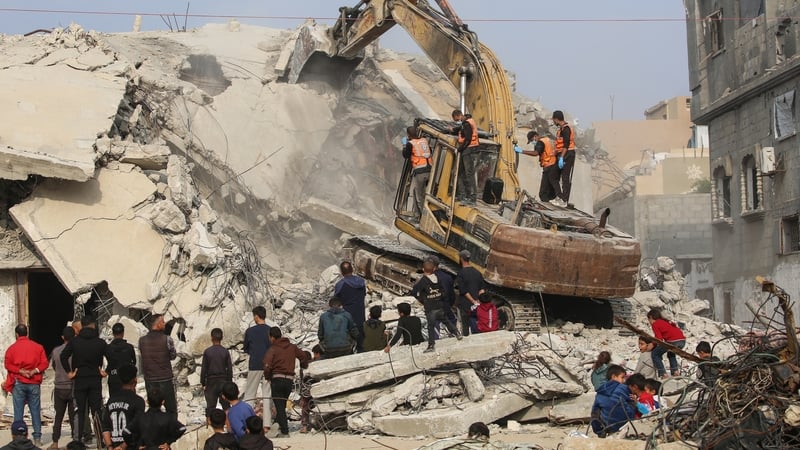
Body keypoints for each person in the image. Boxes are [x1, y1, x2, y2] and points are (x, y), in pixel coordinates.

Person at [61, 315, 107, 446]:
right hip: (95, 379)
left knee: (80, 411)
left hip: (80, 379)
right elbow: (112, 356)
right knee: (96, 411)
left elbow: (63, 356)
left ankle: (79, 442)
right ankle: (100, 440)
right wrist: (106, 371)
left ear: (82, 326)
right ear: (93, 325)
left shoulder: (75, 342)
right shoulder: (100, 342)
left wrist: (69, 372)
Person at [4, 325, 48, 447]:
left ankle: (17, 438)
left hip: (19, 382)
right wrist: (35, 370)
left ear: (17, 334)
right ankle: (37, 438)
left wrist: (20, 371)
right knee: (35, 411)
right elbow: (45, 363)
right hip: (34, 382)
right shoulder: (38, 347)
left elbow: (8, 365)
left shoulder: (12, 349)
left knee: (18, 412)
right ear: (27, 333)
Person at [263, 327, 310, 438]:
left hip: (277, 380)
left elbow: (266, 366)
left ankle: (284, 431)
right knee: (282, 405)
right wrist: (304, 365)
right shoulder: (292, 347)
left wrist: (268, 377)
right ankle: (277, 427)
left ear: (272, 337)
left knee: (279, 406)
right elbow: (303, 356)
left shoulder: (273, 349)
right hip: (289, 381)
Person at [410, 259, 462, 353]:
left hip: (431, 308)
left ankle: (431, 345)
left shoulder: (423, 281)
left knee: (431, 326)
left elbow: (414, 292)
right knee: (446, 320)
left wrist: (422, 299)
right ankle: (457, 333)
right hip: (440, 305)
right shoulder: (437, 278)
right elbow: (444, 292)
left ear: (423, 269)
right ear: (434, 269)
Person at [139, 314, 178, 416]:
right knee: (171, 408)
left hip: (150, 379)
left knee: (154, 407)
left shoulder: (142, 340)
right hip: (165, 378)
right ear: (158, 324)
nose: (165, 324)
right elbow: (173, 355)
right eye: (163, 322)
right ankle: (171, 429)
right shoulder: (167, 339)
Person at [102, 365, 145, 450]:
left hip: (114, 445)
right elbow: (137, 427)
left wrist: (110, 447)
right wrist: (122, 446)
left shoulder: (111, 400)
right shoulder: (138, 401)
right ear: (135, 380)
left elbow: (105, 427)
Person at [242, 306, 271, 431]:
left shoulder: (250, 331)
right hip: (268, 366)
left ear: (256, 316)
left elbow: (246, 348)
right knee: (267, 395)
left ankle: (247, 422)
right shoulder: (270, 330)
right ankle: (267, 425)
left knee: (250, 394)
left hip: (254, 364)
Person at [590, 365, 636, 437]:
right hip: (626, 424)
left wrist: (598, 431)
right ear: (614, 377)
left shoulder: (600, 391)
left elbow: (594, 414)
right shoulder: (623, 388)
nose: (624, 380)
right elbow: (631, 402)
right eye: (622, 377)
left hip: (609, 426)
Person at [51, 326, 76, 448]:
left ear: (62, 337)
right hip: (72, 386)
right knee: (73, 417)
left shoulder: (56, 351)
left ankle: (55, 442)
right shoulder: (76, 351)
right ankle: (74, 442)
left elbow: (54, 366)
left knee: (58, 416)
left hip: (59, 386)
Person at [334, 261, 367, 353]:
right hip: (360, 315)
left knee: (349, 343)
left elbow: (336, 301)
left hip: (347, 317)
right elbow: (364, 294)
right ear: (352, 270)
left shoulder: (340, 285)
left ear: (341, 272)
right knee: (361, 342)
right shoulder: (361, 282)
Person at [522, 131, 562, 204]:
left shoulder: (540, 142)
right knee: (550, 189)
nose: (532, 142)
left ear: (535, 136)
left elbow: (536, 153)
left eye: (531, 140)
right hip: (554, 164)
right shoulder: (547, 140)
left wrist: (522, 151)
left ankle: (559, 199)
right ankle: (557, 200)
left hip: (549, 165)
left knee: (543, 192)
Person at [402, 125, 432, 220]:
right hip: (430, 170)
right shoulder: (424, 140)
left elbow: (406, 155)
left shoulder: (411, 143)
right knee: (421, 193)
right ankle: (417, 214)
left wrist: (404, 145)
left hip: (420, 172)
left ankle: (421, 218)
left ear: (408, 135)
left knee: (420, 196)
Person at [202, 328, 233, 417]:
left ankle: (210, 427)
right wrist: (229, 383)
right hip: (223, 381)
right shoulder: (225, 352)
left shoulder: (207, 352)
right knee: (226, 406)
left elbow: (204, 368)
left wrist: (203, 383)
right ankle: (228, 424)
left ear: (211, 338)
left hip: (211, 382)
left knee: (210, 406)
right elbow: (229, 369)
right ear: (222, 337)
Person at [647, 308, 686, 378]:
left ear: (651, 317)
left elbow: (659, 339)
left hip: (673, 341)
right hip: (682, 341)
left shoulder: (655, 324)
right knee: (671, 353)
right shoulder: (666, 321)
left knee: (655, 354)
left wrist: (652, 344)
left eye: (649, 319)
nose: (649, 322)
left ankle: (663, 373)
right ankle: (675, 372)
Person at [452, 109, 480, 205]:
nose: (457, 121)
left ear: (458, 115)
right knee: (461, 173)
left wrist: (459, 149)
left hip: (469, 149)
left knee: (469, 174)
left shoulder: (467, 123)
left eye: (456, 119)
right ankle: (462, 195)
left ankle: (472, 197)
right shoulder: (467, 122)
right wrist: (453, 129)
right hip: (469, 150)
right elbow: (461, 129)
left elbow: (467, 139)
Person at [455, 250, 484, 336]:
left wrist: (472, 301)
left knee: (465, 327)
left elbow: (463, 291)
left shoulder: (461, 273)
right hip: (477, 306)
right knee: (476, 325)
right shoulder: (477, 272)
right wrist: (477, 301)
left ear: (461, 259)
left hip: (465, 304)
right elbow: (482, 289)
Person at [104, 322, 137, 397]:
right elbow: (134, 362)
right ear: (123, 333)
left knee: (114, 401)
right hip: (127, 378)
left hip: (113, 377)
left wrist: (107, 371)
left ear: (113, 333)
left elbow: (109, 362)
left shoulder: (108, 348)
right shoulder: (129, 347)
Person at [428, 256, 457, 338]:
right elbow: (452, 294)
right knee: (452, 319)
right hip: (445, 305)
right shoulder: (447, 277)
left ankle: (435, 341)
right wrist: (449, 304)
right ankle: (453, 335)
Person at [552, 110, 576, 206]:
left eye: (553, 120)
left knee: (565, 177)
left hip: (567, 154)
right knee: (553, 175)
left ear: (556, 119)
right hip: (562, 154)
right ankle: (560, 196)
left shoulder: (566, 129)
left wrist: (562, 157)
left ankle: (564, 199)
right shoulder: (560, 130)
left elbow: (566, 145)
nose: (553, 122)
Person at [299, 345, 323, 434]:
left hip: (309, 391)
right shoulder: (318, 363)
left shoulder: (308, 366)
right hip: (318, 389)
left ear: (318, 353)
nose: (314, 356)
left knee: (305, 407)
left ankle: (305, 425)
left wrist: (301, 395)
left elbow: (302, 382)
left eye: (315, 354)